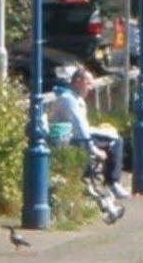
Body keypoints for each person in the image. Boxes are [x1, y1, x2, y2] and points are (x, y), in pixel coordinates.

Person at [46, 67, 127, 208]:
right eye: (88, 84)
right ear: (78, 81)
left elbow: (83, 126)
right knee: (115, 141)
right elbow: (80, 129)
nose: (90, 88)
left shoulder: (75, 99)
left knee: (113, 136)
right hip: (69, 140)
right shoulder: (68, 100)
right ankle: (112, 182)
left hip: (73, 138)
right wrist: (93, 149)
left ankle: (110, 182)